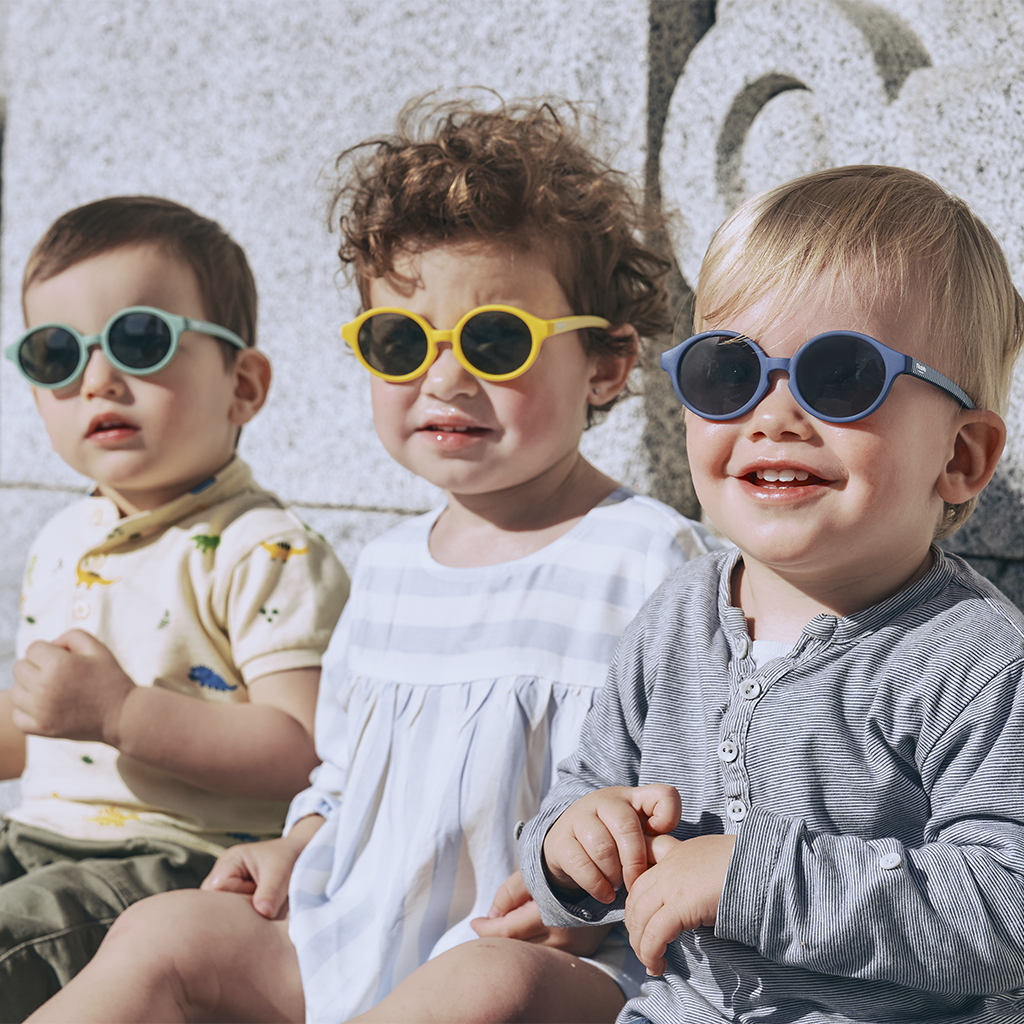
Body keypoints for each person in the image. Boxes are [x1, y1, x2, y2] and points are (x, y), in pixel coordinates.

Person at [27, 99, 720, 1024]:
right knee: (162, 933)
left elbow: (696, 781)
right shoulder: (391, 564)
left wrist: (598, 889)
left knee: (487, 988)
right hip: (349, 924)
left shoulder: (647, 557)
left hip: (528, 939)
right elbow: (343, 768)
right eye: (400, 343)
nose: (444, 378)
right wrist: (299, 845)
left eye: (496, 340)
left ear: (603, 362)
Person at [519, 164, 1024, 1022]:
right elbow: (586, 785)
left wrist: (757, 879)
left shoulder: (977, 658)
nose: (773, 415)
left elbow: (1004, 912)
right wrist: (575, 846)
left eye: (840, 377)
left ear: (961, 457)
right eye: (728, 373)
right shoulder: (677, 615)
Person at [0, 195, 349, 1020]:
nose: (98, 378)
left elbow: (305, 750)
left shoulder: (264, 548)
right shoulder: (64, 536)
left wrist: (123, 713)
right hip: (37, 843)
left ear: (244, 383)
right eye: (56, 354)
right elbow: (34, 728)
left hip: (172, 862)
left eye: (140, 340)